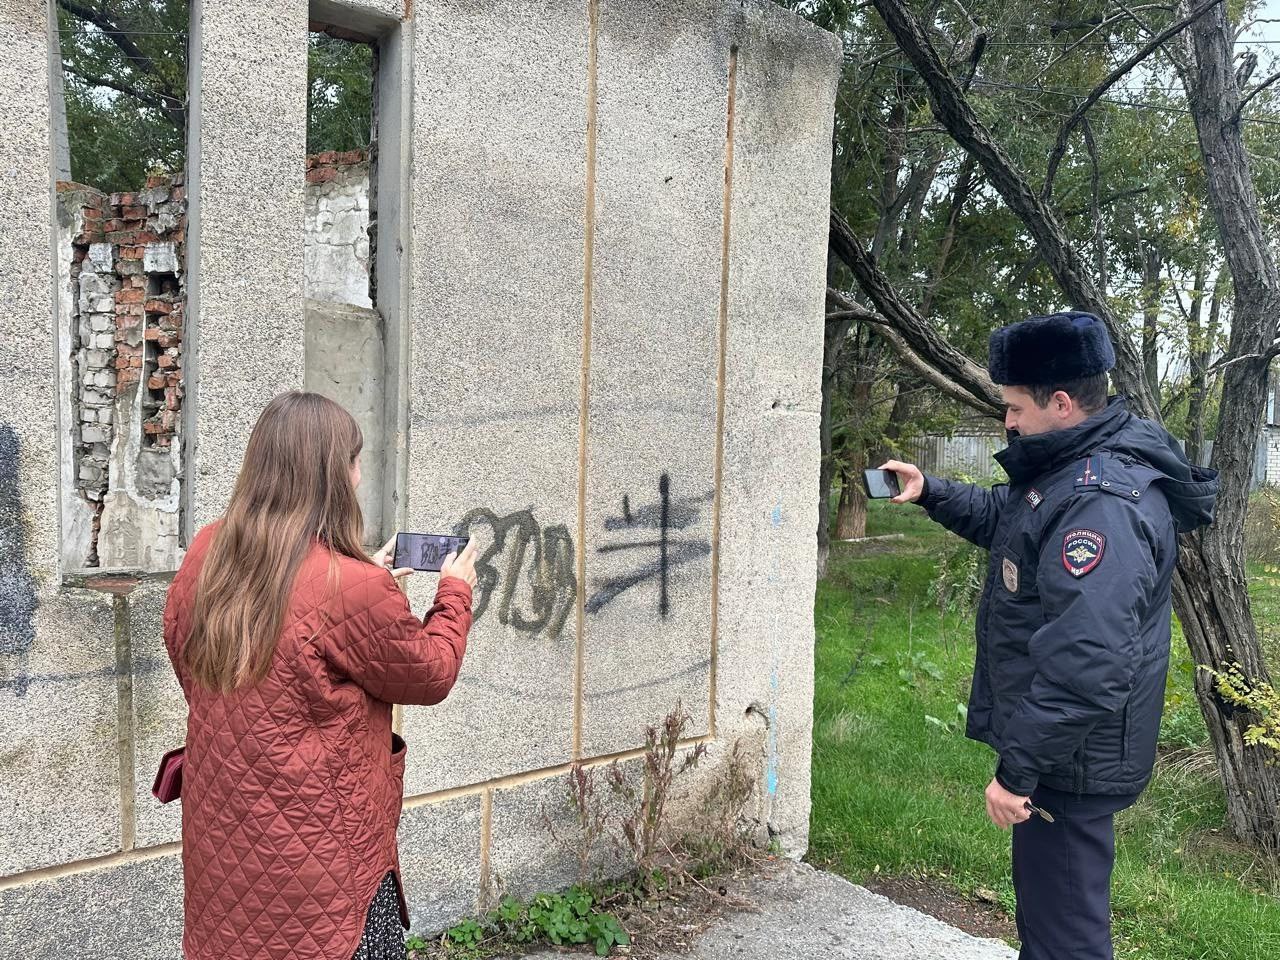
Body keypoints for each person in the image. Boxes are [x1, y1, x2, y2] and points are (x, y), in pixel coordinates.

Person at [880, 312, 1218, 960]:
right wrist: (931, 492)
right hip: (1069, 751)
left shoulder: (1100, 505)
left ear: (1060, 403)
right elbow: (1016, 525)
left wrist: (1017, 773)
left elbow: (1088, 664)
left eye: (1014, 407)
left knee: (1065, 937)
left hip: (1072, 760)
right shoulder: (1072, 469)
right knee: (1052, 919)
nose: (1007, 421)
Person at [162, 391, 479, 960]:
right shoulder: (349, 589)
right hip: (322, 859)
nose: (358, 478)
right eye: (353, 463)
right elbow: (431, 673)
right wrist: (454, 592)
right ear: (330, 475)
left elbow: (193, 656)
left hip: (224, 836)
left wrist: (360, 579)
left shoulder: (208, 550)